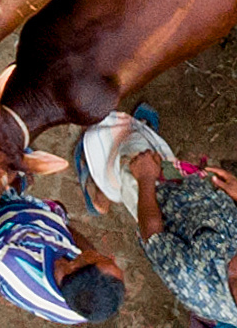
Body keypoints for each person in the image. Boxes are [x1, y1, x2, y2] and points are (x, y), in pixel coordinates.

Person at [85, 112, 237, 328]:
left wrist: (146, 178)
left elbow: (153, 235)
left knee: (122, 156)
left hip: (156, 203)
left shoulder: (193, 282)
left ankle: (101, 186)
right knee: (148, 151)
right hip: (199, 197)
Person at [0, 156, 130, 321]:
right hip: (35, 221)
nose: (111, 256)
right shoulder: (84, 302)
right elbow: (87, 250)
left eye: (106, 259)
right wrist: (57, 219)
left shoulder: (11, 264)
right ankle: (18, 186)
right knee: (18, 164)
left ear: (72, 267)